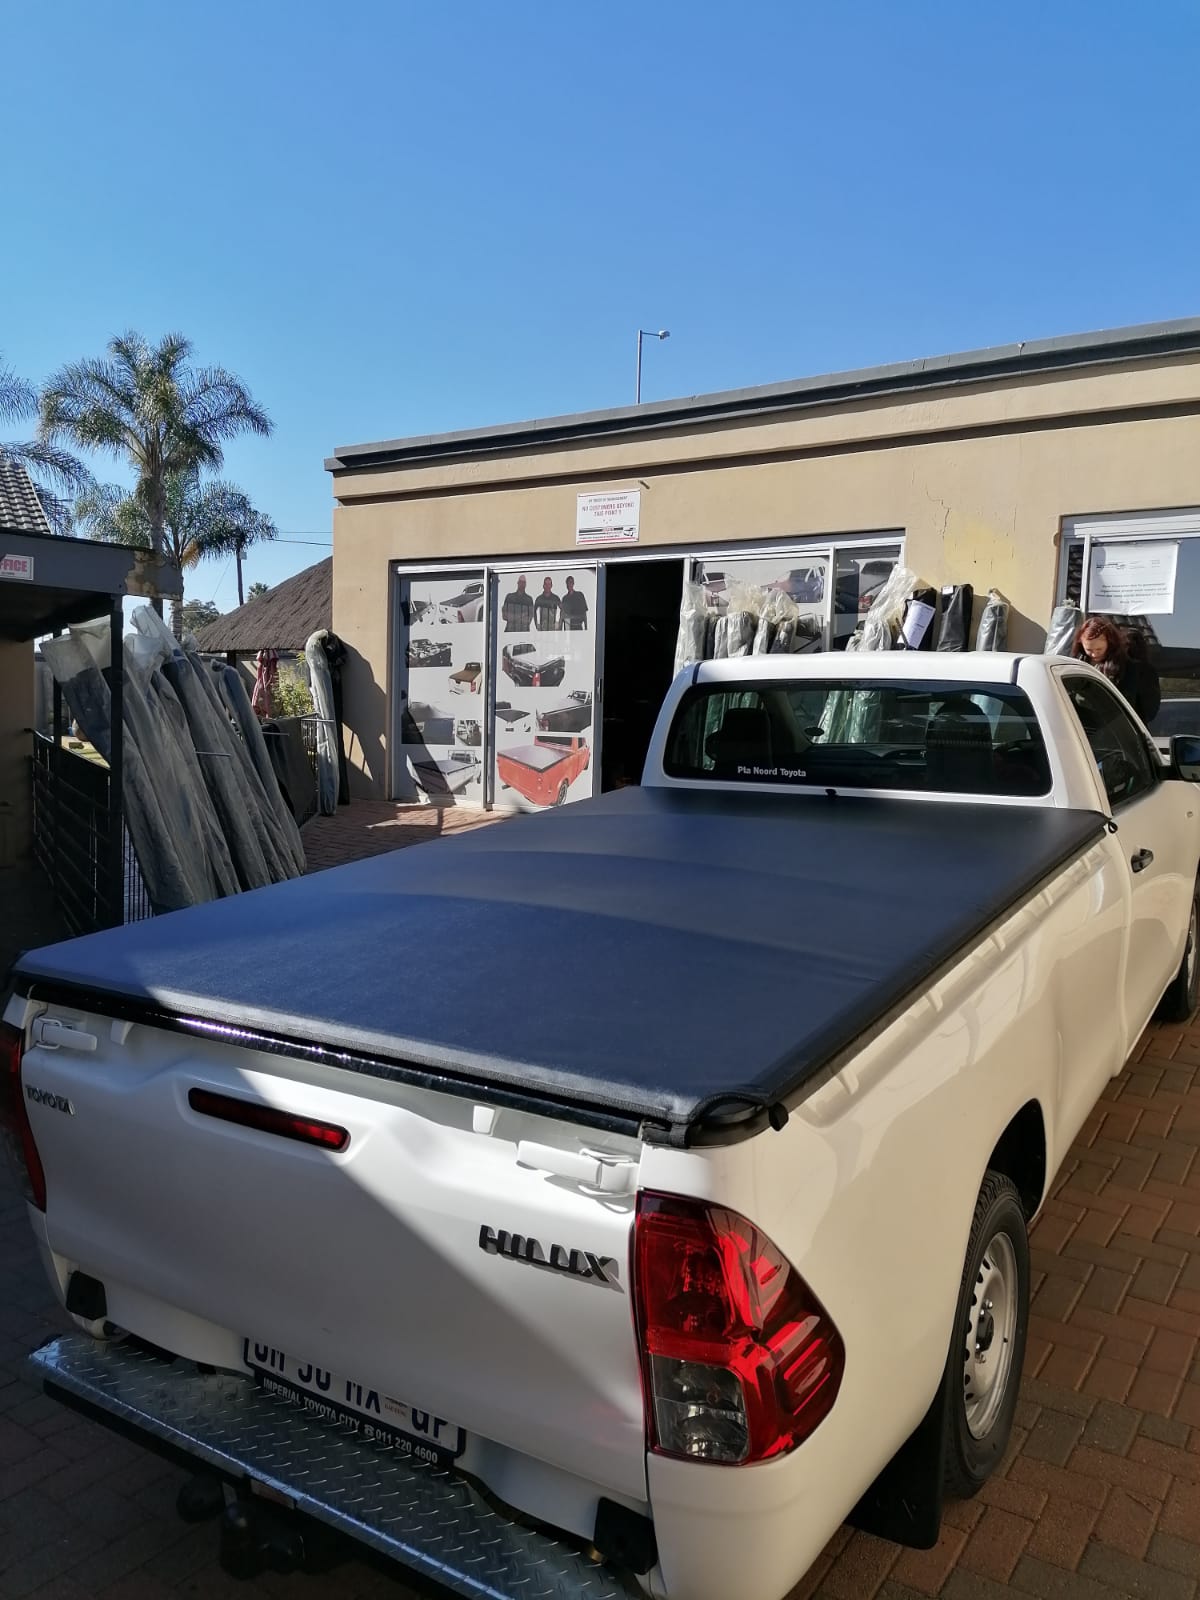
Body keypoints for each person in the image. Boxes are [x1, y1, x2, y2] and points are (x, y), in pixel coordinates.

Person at [1073, 616, 1161, 724]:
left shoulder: (1127, 669)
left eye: (1099, 649)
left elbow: (1145, 709)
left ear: (1110, 642)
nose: (1094, 654)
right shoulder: (1074, 664)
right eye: (1089, 650)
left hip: (1115, 730)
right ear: (1081, 644)